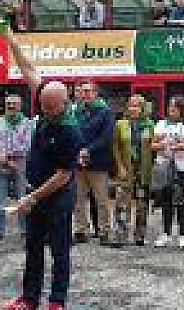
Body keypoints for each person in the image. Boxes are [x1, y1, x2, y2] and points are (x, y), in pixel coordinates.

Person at [1, 81, 81, 310]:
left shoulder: (70, 131)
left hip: (58, 197)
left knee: (60, 251)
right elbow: (30, 73)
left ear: (64, 104)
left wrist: (32, 197)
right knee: (33, 248)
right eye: (43, 107)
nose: (44, 112)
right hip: (34, 191)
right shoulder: (46, 106)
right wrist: (12, 44)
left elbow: (63, 176)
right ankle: (29, 299)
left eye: (50, 108)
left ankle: (57, 302)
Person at [151, 96, 184, 249]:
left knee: (180, 201)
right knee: (166, 201)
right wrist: (162, 144)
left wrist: (182, 146)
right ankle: (165, 234)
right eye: (170, 107)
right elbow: (153, 144)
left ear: (181, 109)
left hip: (183, 167)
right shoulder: (161, 124)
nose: (171, 110)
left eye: (174, 107)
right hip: (164, 166)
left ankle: (183, 235)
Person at [73, 80, 115, 245]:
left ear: (96, 93)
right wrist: (77, 151)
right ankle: (80, 230)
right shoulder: (76, 112)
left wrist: (88, 150)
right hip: (78, 162)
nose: (85, 94)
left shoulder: (105, 112)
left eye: (88, 91)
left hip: (98, 162)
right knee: (78, 200)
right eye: (82, 92)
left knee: (101, 200)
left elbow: (106, 138)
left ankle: (104, 231)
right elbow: (73, 133)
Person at [0, 93, 35, 246]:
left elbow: (28, 145)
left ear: (20, 105)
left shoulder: (27, 123)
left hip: (20, 167)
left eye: (14, 104)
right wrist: (1, 156)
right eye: (9, 103)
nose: (11, 106)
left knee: (22, 199)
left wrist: (10, 155)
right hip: (0, 167)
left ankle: (25, 233)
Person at [112, 94, 154, 247]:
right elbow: (115, 147)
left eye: (137, 106)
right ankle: (120, 235)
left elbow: (153, 148)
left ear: (142, 108)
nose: (133, 108)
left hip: (143, 171)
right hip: (126, 170)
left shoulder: (150, 125)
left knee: (142, 204)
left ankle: (140, 235)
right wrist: (120, 166)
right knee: (122, 203)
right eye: (131, 105)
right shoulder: (121, 124)